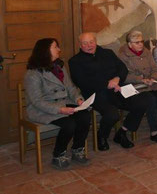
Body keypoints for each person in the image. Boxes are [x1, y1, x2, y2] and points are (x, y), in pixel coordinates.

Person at [69, 32, 150, 150]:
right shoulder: (75, 61)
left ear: (96, 42)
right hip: (96, 94)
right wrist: (107, 84)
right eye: (85, 43)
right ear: (80, 45)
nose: (89, 45)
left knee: (143, 100)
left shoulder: (108, 53)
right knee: (112, 114)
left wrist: (117, 79)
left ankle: (122, 132)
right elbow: (82, 82)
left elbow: (122, 68)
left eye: (91, 42)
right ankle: (101, 136)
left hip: (117, 89)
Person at [24, 38, 90, 170]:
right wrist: (60, 110)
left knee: (84, 116)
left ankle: (77, 149)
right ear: (45, 50)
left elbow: (70, 87)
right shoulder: (33, 73)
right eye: (55, 47)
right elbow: (37, 101)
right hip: (43, 109)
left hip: (64, 103)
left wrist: (78, 99)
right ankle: (58, 154)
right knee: (69, 124)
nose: (59, 49)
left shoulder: (59, 66)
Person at [118, 30, 157, 143]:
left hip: (151, 84)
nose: (140, 44)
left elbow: (155, 69)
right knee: (151, 100)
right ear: (129, 44)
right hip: (135, 86)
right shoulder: (122, 56)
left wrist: (153, 78)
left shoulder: (147, 52)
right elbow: (124, 75)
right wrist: (141, 79)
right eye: (137, 42)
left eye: (141, 41)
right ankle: (154, 132)